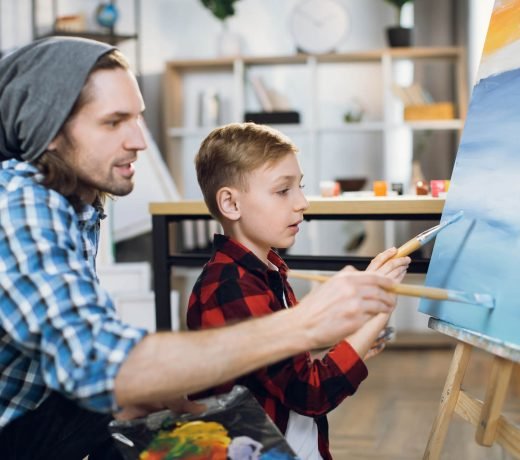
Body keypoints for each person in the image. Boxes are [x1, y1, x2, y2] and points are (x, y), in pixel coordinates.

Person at [0, 37, 399, 459]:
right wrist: (303, 323)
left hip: (52, 417)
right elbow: (97, 362)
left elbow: (68, 353)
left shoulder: (77, 204)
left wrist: (145, 395)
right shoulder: (20, 204)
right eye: (114, 122)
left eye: (138, 118)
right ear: (49, 130)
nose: (139, 140)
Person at [187, 122, 411, 459]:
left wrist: (355, 331)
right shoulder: (231, 287)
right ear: (231, 204)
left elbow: (286, 365)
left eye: (300, 187)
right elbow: (310, 392)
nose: (302, 202)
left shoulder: (265, 272)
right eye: (283, 191)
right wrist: (376, 314)